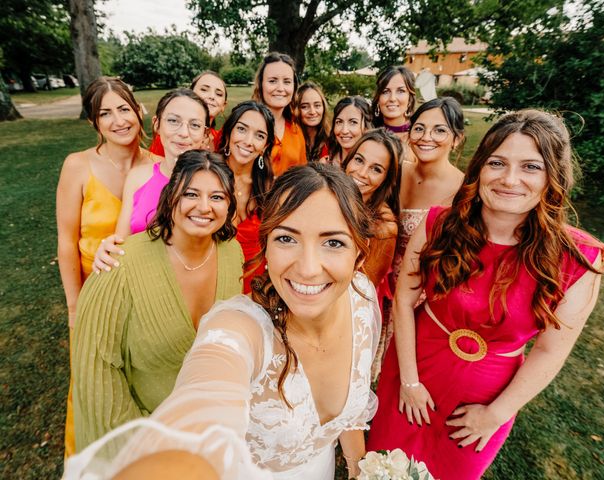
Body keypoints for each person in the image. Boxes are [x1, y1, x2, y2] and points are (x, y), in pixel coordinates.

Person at [66, 163, 381, 480]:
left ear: (359, 255)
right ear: (266, 246)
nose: (309, 268)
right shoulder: (238, 327)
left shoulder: (361, 300)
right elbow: (207, 388)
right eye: (287, 238)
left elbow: (349, 416)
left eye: (334, 242)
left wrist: (360, 468)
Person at [367, 109, 604, 480]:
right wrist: (409, 382)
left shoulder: (579, 260)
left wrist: (495, 414)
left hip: (483, 406)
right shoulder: (437, 224)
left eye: (531, 167)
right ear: (479, 168)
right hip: (411, 376)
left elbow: (550, 350)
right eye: (497, 163)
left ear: (553, 177)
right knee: (380, 466)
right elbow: (403, 297)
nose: (510, 179)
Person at [72, 150, 244, 450]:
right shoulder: (118, 265)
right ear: (170, 196)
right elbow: (97, 374)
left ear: (230, 205)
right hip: (143, 440)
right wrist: (147, 444)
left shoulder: (232, 253)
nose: (204, 207)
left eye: (217, 197)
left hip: (213, 434)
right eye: (191, 193)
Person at [56, 76, 154, 457]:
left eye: (124, 109)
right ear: (94, 123)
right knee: (90, 388)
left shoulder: (158, 166)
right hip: (94, 297)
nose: (118, 121)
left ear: (138, 110)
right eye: (105, 114)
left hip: (142, 301)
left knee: (134, 388)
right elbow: (66, 243)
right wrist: (74, 307)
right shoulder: (77, 166)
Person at [377, 97, 467, 361]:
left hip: (421, 295)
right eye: (419, 128)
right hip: (380, 281)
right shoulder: (395, 172)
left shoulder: (463, 190)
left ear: (457, 139)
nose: (426, 137)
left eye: (440, 130)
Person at [92, 88, 210, 273]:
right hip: (141, 281)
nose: (184, 133)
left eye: (194, 125)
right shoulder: (138, 177)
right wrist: (107, 250)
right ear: (157, 124)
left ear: (205, 135)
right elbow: (121, 243)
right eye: (173, 121)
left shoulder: (215, 183)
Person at [218, 100, 276, 292]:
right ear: (229, 132)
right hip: (212, 282)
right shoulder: (206, 176)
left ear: (266, 146)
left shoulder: (269, 188)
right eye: (242, 129)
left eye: (259, 135)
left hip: (255, 288)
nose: (248, 141)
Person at [342, 128, 401, 288]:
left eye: (376, 169)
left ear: (386, 179)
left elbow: (361, 291)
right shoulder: (328, 196)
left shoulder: (384, 229)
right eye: (359, 160)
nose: (361, 173)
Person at [253, 52, 306, 175]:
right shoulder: (244, 123)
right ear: (261, 85)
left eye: (287, 82)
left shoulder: (296, 130)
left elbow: (302, 177)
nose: (280, 88)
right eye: (272, 81)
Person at [150, 72, 227, 155]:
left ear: (224, 105)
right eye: (204, 89)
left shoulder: (220, 139)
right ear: (190, 94)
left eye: (219, 94)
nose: (212, 96)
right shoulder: (170, 136)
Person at [322, 96, 371, 166]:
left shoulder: (373, 161)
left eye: (353, 122)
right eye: (339, 122)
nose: (344, 131)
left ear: (366, 127)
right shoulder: (326, 157)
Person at [371, 65, 417, 143]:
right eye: (385, 92)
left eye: (400, 91)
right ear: (378, 98)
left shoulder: (419, 137)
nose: (392, 98)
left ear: (410, 98)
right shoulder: (367, 133)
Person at [295, 81, 330, 162]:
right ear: (296, 109)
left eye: (317, 105)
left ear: (323, 107)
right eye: (305, 107)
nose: (312, 112)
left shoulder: (332, 141)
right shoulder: (290, 140)